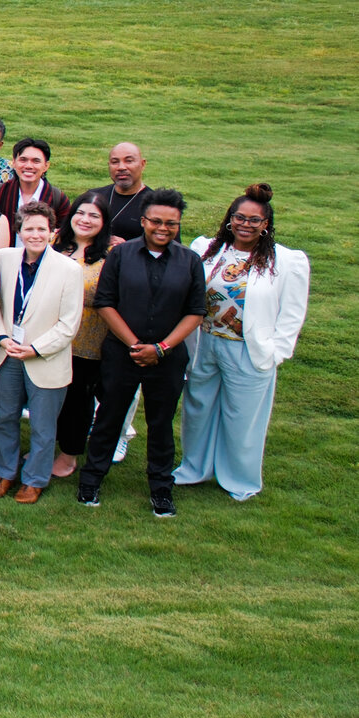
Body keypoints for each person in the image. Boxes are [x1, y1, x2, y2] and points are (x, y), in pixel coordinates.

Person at [174, 184, 310, 502]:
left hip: (248, 349)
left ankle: (239, 478)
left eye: (254, 220)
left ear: (265, 225)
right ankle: (194, 468)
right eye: (239, 217)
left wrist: (277, 352)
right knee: (198, 408)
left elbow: (292, 313)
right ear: (229, 220)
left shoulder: (286, 261)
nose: (245, 225)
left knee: (242, 416)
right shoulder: (207, 249)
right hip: (205, 342)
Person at [78, 188, 208, 517]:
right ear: (144, 220)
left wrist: (161, 348)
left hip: (167, 357)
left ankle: (161, 489)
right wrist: (135, 344)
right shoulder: (121, 255)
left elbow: (195, 311)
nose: (163, 228)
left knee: (161, 424)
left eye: (171, 223)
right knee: (108, 418)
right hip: (122, 354)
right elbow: (105, 301)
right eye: (156, 221)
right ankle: (91, 480)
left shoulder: (190, 261)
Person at [0, 205, 84, 503]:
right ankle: (5, 472)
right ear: (19, 231)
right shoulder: (3, 258)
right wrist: (1, 337)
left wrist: (35, 348)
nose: (35, 234)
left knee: (43, 424)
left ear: (53, 231)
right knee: (4, 416)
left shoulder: (69, 269)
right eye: (29, 228)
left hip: (45, 358)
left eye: (42, 229)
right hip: (7, 353)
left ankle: (34, 479)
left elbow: (69, 324)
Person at [51, 192, 113, 479]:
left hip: (85, 340)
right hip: (48, 336)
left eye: (94, 215)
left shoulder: (110, 256)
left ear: (104, 222)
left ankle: (68, 455)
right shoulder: (54, 244)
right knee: (51, 396)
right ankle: (47, 445)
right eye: (81, 213)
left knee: (77, 400)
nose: (85, 220)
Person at [0, 137, 70, 228]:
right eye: (23, 160)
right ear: (14, 163)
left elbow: (63, 234)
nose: (29, 166)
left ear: (46, 166)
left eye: (36, 161)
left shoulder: (58, 199)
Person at [87, 142, 152, 243]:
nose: (121, 167)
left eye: (129, 161)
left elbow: (169, 250)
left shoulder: (157, 204)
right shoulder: (93, 197)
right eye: (115, 162)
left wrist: (127, 248)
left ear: (142, 164)